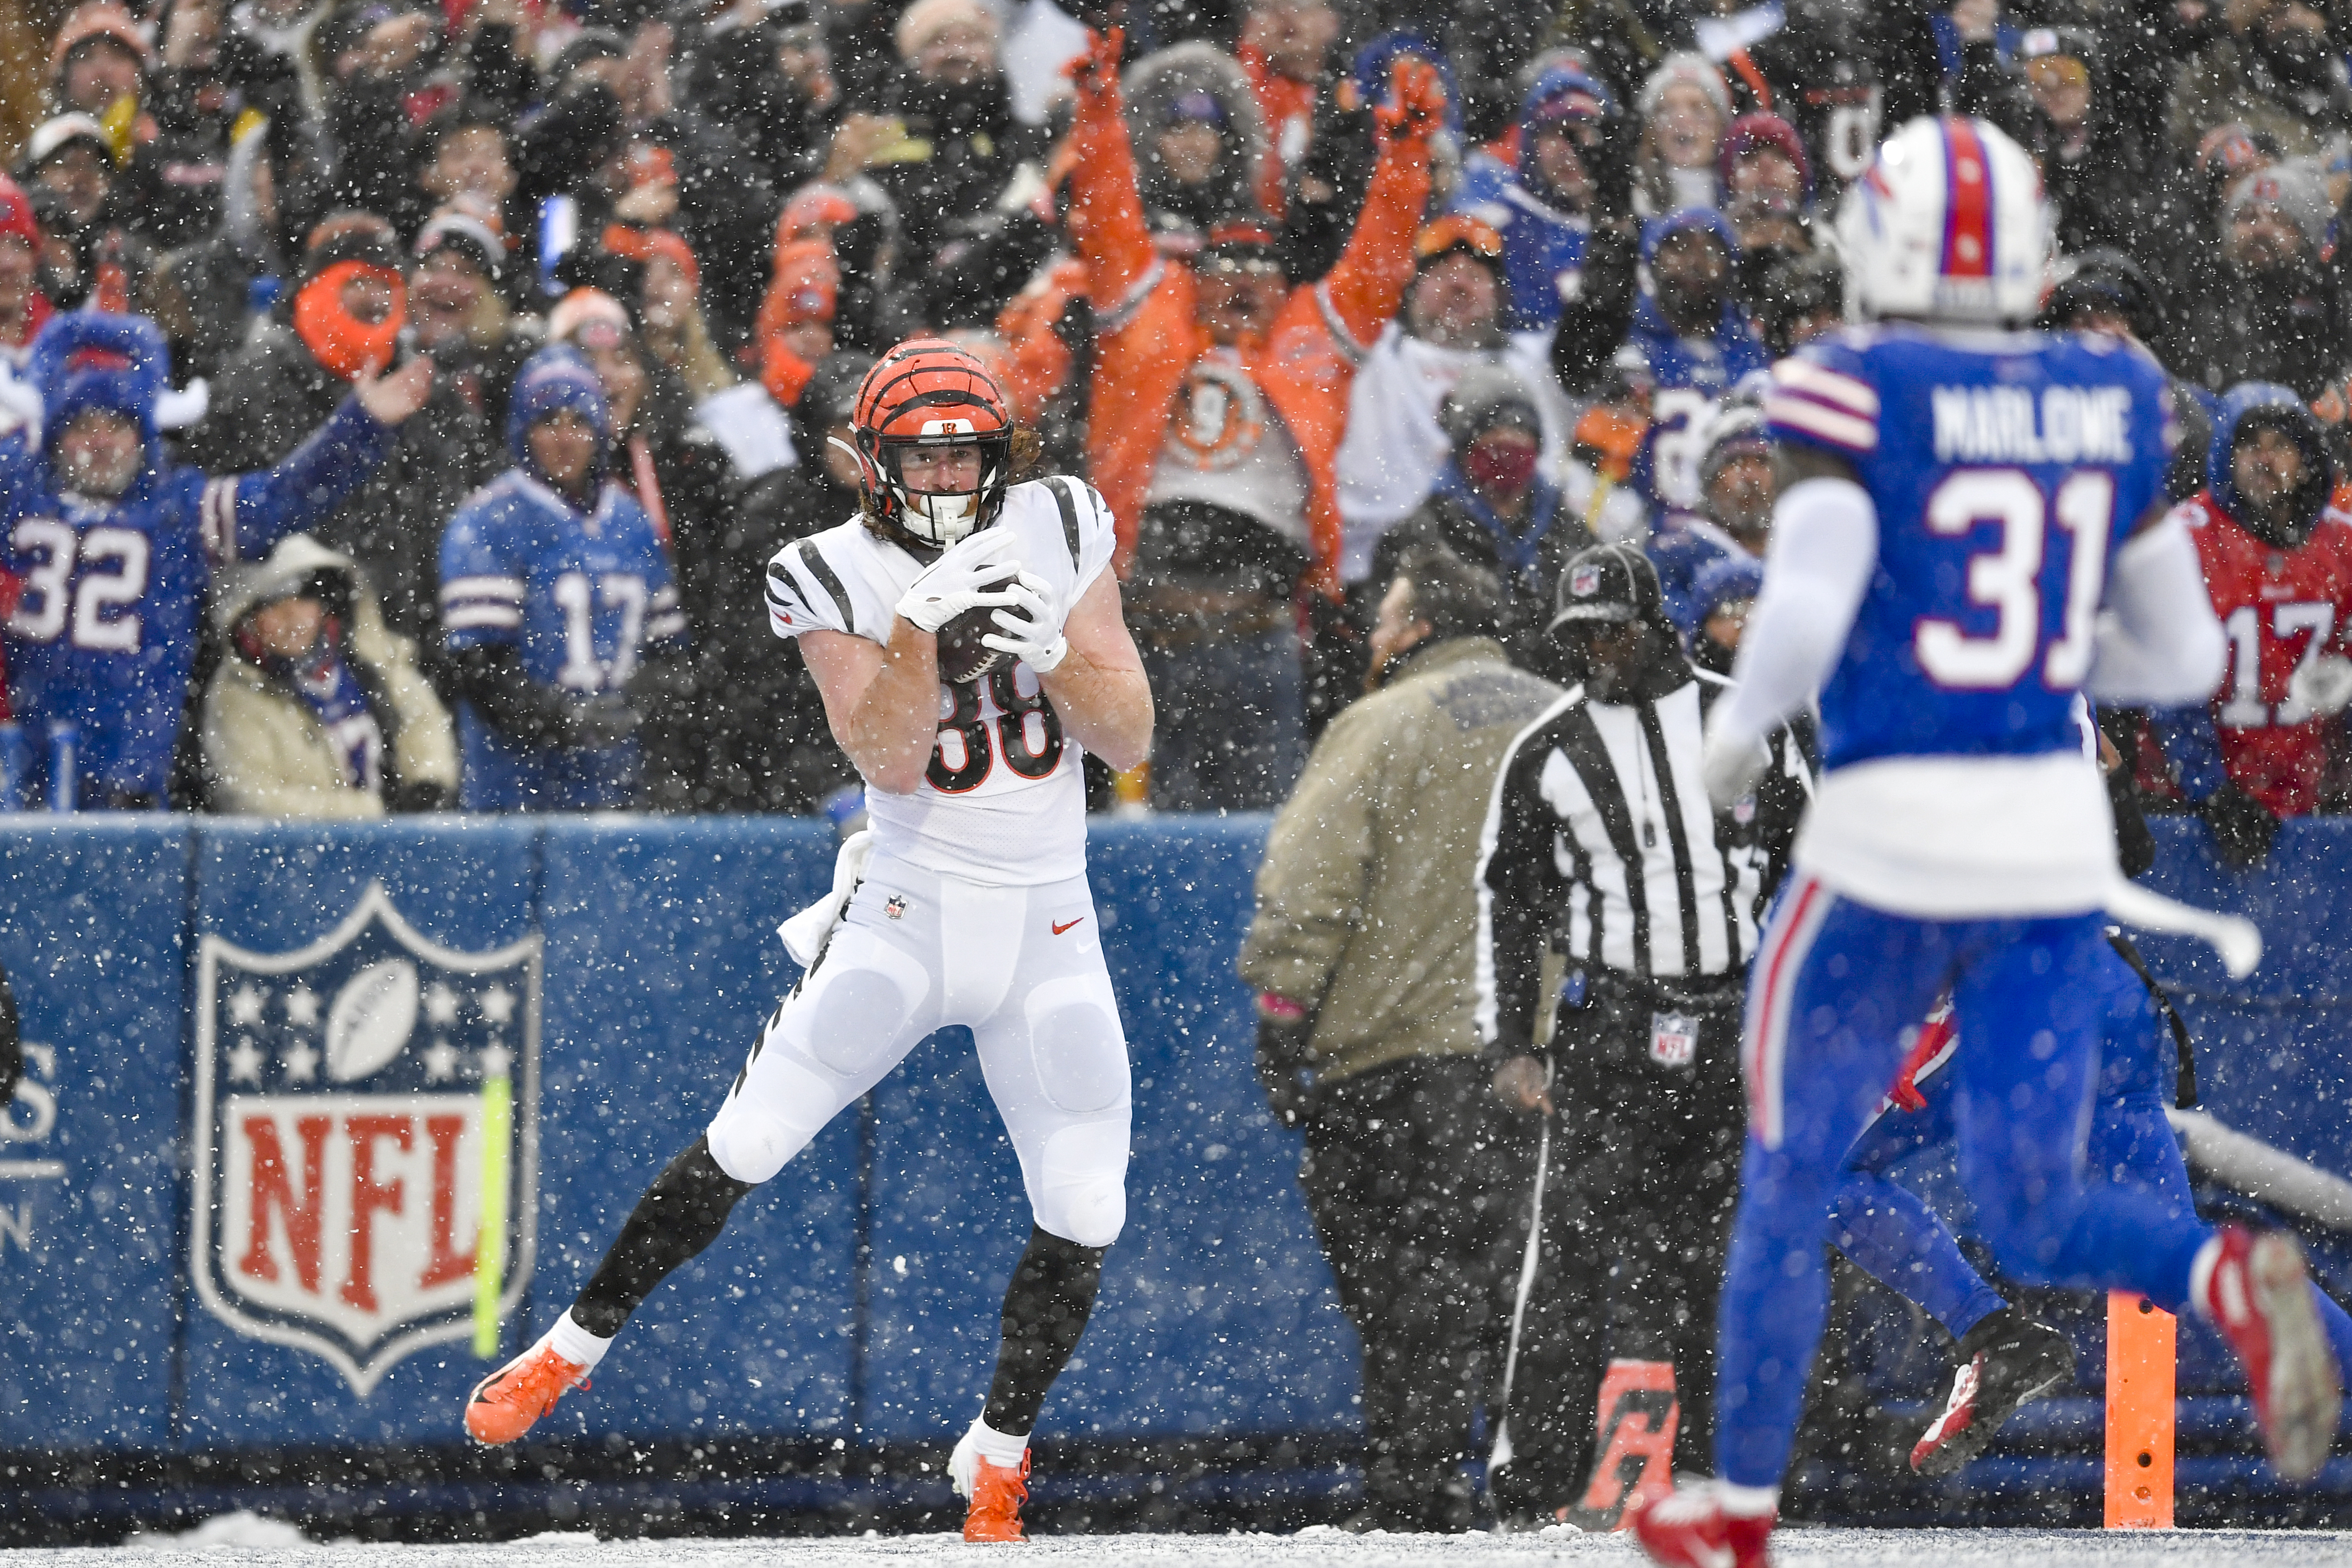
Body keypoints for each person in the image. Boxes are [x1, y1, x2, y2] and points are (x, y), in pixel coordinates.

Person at [1634, 116, 2340, 1568]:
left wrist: (1733, 730)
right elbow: (2171, 643)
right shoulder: (2102, 392)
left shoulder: (1851, 381)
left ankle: (1735, 1512)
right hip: (2043, 845)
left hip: (1895, 831)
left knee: (1786, 1164)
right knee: (2036, 1203)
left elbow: (1814, 592)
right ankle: (2223, 1267)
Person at [459, 340, 1153, 1548]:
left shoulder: (1060, 519)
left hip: (1050, 919)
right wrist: (930, 640)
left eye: (963, 448)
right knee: (750, 1136)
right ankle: (568, 1348)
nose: (944, 472)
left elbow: (1128, 728)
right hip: (909, 909)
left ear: (1000, 456)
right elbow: (884, 753)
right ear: (868, 462)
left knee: (1087, 1202)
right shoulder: (825, 565)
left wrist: (1039, 642)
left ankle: (998, 1446)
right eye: (922, 449)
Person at [1478, 541, 1811, 1530]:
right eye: (1578, 636)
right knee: (1572, 1253)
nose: (1597, 651)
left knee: (1734, 1251)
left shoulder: (1749, 720)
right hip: (1612, 1026)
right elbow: (1509, 906)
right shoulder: (1545, 750)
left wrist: (1819, 1018)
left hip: (1735, 1018)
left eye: (1611, 629)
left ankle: (1725, 1468)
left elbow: (1813, 864)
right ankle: (1538, 1473)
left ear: (1655, 623)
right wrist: (1512, 1041)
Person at [1237, 542, 1560, 1531]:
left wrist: (1280, 1025)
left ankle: (1415, 1494)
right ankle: (1530, 1493)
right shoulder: (1565, 718)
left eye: (1383, 620)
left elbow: (1307, 890)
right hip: (1536, 1060)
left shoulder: (1375, 725)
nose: (1370, 638)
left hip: (1391, 1061)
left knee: (1404, 1298)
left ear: (1416, 631)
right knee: (1518, 1295)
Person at [1065, 26, 1443, 810]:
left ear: (1285, 282)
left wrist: (1405, 160)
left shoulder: (1313, 337)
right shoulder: (1145, 316)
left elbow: (1378, 261)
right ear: (1191, 277)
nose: (1242, 285)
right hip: (1147, 626)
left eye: (1261, 271)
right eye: (1223, 269)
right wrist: (1101, 112)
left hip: (1262, 626)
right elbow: (1106, 218)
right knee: (1143, 833)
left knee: (1264, 831)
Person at [1, 309, 433, 809]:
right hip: (18, 763)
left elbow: (280, 499)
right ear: (53, 434)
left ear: (145, 434)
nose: (101, 444)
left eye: (117, 425)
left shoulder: (179, 511)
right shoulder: (17, 496)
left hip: (127, 781)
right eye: (82, 426)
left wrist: (360, 428)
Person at [437, 344, 688, 812]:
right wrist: (560, 718)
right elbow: (479, 669)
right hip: (514, 785)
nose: (565, 438)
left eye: (579, 421)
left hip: (617, 781)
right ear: (522, 431)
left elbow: (668, 654)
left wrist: (634, 706)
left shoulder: (631, 520)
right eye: (548, 421)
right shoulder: (489, 521)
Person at [2148, 385, 2352, 867]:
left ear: (2306, 460)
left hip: (2312, 804)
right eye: (2250, 445)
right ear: (2225, 454)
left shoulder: (2342, 543)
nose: (2265, 459)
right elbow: (2164, 681)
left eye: (2281, 445)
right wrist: (2210, 790)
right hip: (2185, 809)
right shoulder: (2184, 537)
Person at [201, 531, 457, 816]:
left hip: (401, 848)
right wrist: (375, 812)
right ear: (248, 621)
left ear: (325, 606)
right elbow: (253, 799)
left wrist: (427, 783)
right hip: (302, 856)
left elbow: (424, 723)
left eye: (304, 597)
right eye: (274, 603)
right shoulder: (236, 699)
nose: (293, 616)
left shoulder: (373, 662)